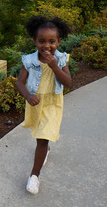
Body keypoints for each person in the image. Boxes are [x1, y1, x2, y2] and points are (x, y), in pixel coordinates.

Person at [16, 15, 72, 195]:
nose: (46, 46)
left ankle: (34, 176)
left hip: (53, 105)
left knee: (43, 137)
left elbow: (68, 82)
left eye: (51, 41)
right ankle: (46, 149)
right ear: (35, 41)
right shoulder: (29, 61)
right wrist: (27, 96)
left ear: (59, 41)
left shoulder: (61, 59)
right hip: (36, 103)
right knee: (41, 136)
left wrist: (55, 66)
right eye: (41, 41)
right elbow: (19, 82)